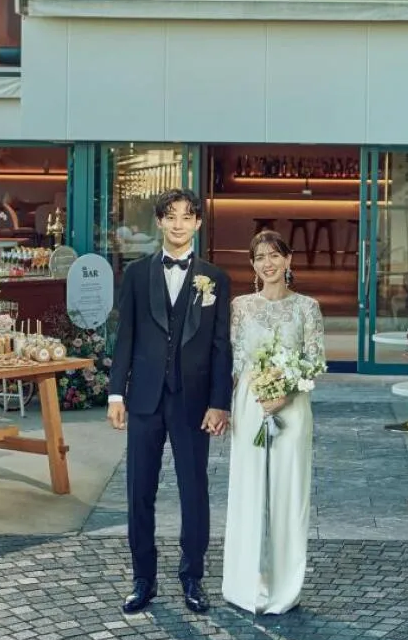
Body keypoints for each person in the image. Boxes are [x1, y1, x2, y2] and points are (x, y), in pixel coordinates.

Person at [107, 188, 232, 615]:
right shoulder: (137, 274)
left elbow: (221, 346)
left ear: (198, 223)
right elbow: (125, 337)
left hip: (193, 403)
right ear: (159, 221)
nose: (179, 224)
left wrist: (219, 402)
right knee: (139, 491)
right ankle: (143, 579)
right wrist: (116, 393)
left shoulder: (215, 279)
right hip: (144, 398)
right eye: (171, 216)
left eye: (187, 217)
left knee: (193, 490)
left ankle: (192, 577)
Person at [221, 230, 325, 615]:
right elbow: (233, 361)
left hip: (293, 406)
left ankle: (284, 588)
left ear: (288, 259)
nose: (268, 263)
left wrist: (286, 391)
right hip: (250, 405)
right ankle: (244, 585)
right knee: (248, 490)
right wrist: (222, 406)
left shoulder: (308, 307)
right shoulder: (240, 307)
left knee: (289, 492)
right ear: (252, 265)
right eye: (260, 257)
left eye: (275, 255)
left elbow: (316, 359)